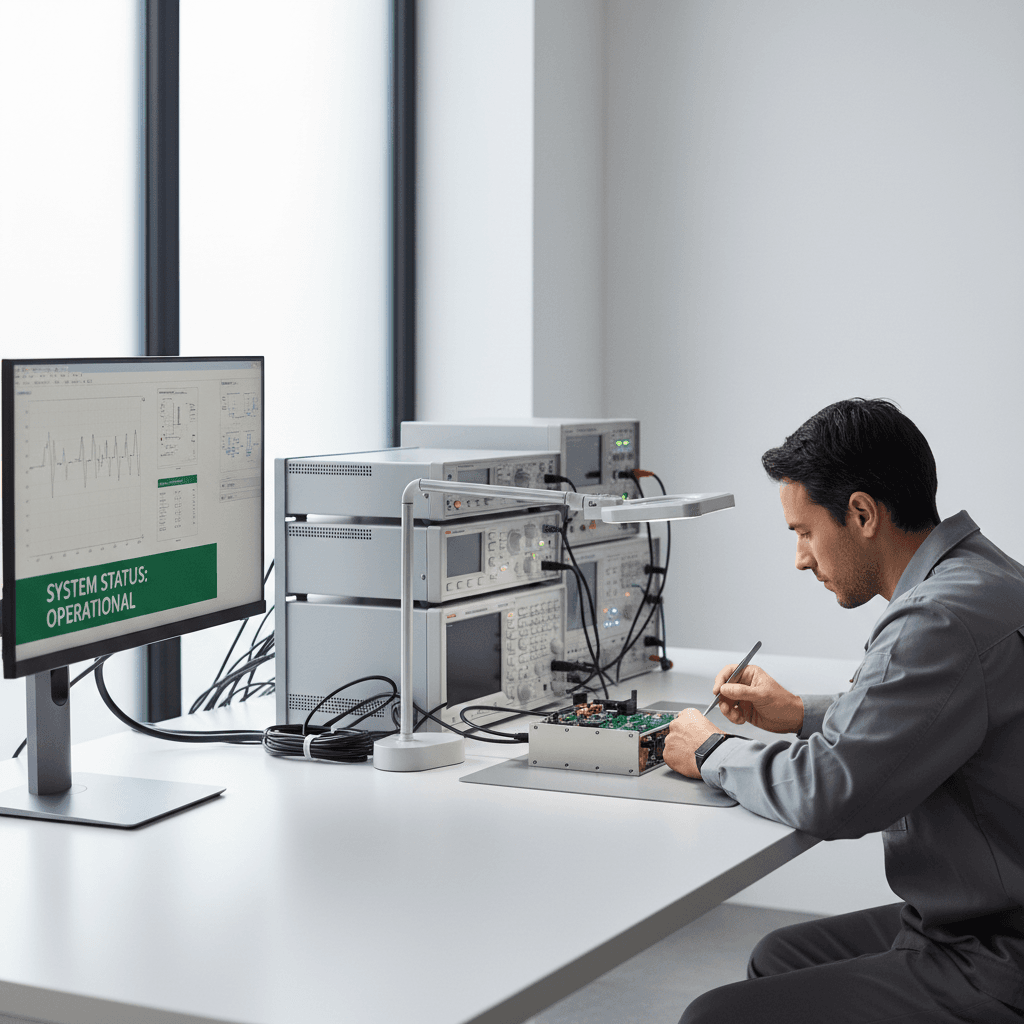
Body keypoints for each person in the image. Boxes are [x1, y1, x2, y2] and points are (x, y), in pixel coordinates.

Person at [663, 398, 1024, 1024]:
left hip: (994, 955)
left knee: (712, 1017)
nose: (801, 557)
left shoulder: (934, 618)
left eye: (804, 532)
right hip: (978, 916)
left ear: (861, 513)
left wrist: (710, 751)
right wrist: (800, 712)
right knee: (782, 953)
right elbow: (943, 708)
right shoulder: (983, 575)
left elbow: (832, 792)